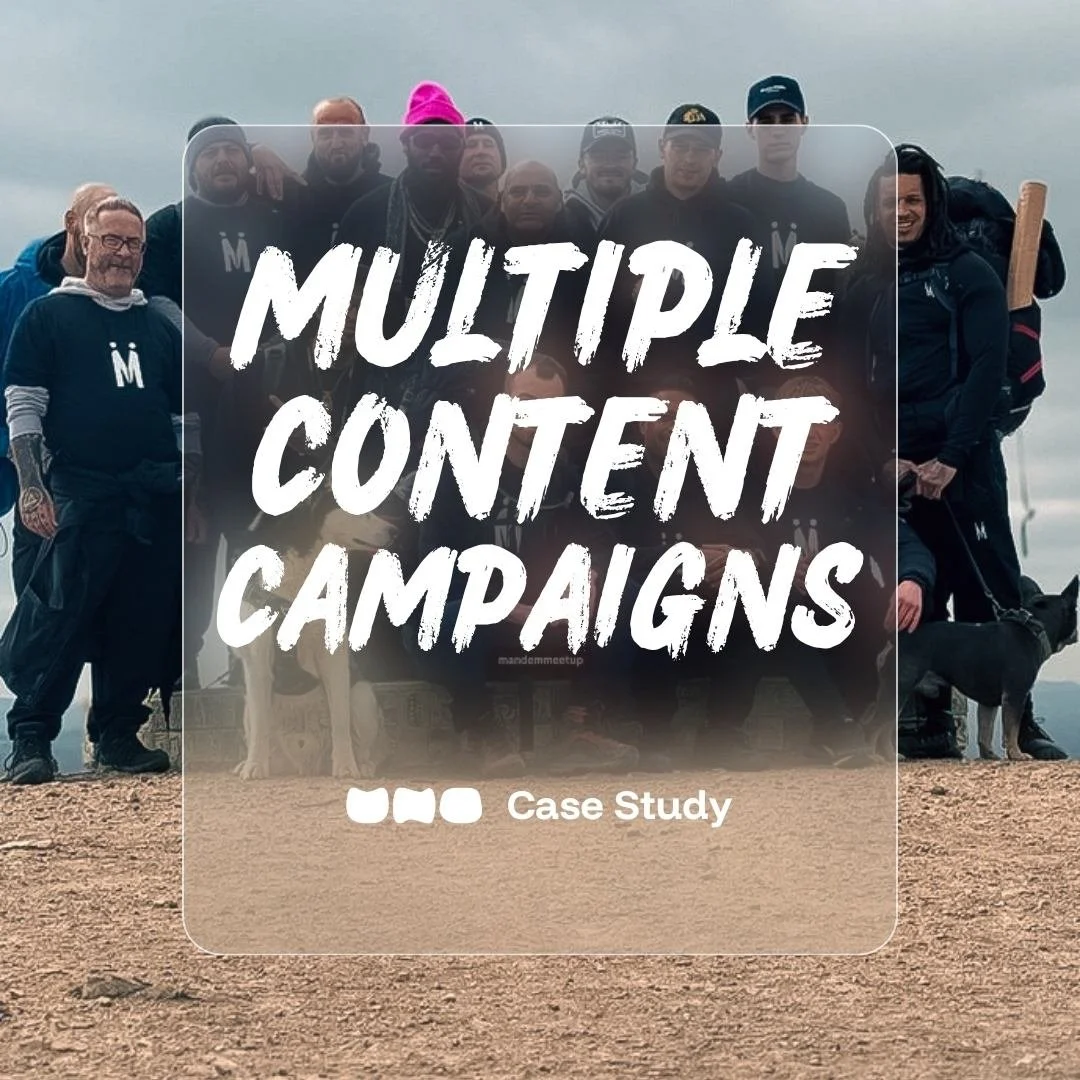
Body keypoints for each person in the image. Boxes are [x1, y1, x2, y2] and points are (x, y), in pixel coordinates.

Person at [876, 144, 1064, 759]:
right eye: (890, 201)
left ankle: (1020, 717)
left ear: (932, 203)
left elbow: (986, 367)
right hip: (897, 455)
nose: (902, 212)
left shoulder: (967, 270)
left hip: (966, 453)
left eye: (912, 200)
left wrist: (952, 456)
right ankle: (925, 720)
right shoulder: (863, 276)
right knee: (919, 583)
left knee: (989, 582)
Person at [0, 197, 182, 784]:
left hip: (152, 496)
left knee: (139, 618)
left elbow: (183, 419)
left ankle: (119, 735)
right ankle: (31, 740)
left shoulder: (156, 323)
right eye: (111, 240)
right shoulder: (48, 318)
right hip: (79, 490)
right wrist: (32, 488)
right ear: (84, 240)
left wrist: (193, 493)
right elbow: (23, 407)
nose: (122, 253)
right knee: (60, 618)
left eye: (132, 244)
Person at [411, 356, 639, 779]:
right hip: (481, 619)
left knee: (626, 593)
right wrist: (500, 605)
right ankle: (477, 733)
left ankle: (581, 729)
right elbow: (433, 565)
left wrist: (589, 575)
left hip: (546, 619)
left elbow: (598, 542)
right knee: (438, 616)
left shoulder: (569, 476)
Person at [138, 117, 285, 689]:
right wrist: (209, 353)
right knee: (192, 549)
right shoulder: (169, 225)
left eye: (232, 150)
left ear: (248, 159)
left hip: (262, 408)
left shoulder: (276, 218)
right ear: (191, 165)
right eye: (209, 153)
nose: (222, 160)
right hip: (190, 407)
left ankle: (254, 672)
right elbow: (154, 300)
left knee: (260, 538)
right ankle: (176, 679)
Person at [618, 374, 774, 771]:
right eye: (663, 415)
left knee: (752, 600)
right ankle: (655, 735)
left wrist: (740, 558)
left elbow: (756, 544)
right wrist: (680, 556)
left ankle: (724, 732)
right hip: (649, 598)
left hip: (709, 602)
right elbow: (603, 553)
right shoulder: (617, 477)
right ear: (642, 426)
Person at [597, 104, 770, 404]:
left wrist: (746, 380)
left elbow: (761, 307)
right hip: (637, 386)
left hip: (715, 389)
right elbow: (596, 306)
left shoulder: (741, 224)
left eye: (702, 149)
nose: (690, 159)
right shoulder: (623, 217)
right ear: (662, 148)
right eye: (680, 146)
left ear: (717, 156)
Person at [336, 82, 490, 417]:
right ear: (406, 145)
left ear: (461, 148)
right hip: (380, 379)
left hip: (464, 380)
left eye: (447, 142)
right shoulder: (365, 215)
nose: (435, 152)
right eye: (424, 140)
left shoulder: (487, 215)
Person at [763, 374, 889, 760]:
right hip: (768, 617)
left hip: (833, 609)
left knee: (869, 597)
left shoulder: (854, 497)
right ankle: (837, 725)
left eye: (819, 422)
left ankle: (851, 725)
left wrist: (909, 581)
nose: (808, 433)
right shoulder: (747, 492)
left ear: (835, 432)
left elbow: (890, 542)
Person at [0, 182, 118, 592]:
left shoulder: (124, 302)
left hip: (98, 482)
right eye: (92, 218)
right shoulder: (12, 292)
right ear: (71, 222)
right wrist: (14, 449)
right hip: (28, 475)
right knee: (37, 615)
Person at [726, 76, 853, 389]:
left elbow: (840, 301)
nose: (778, 129)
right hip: (742, 375)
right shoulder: (726, 199)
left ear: (804, 123)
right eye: (766, 121)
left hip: (810, 374)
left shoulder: (830, 208)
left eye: (787, 119)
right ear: (749, 128)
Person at [287, 96, 389, 280]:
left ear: (364, 136)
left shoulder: (392, 196)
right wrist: (254, 149)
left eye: (345, 132)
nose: (336, 143)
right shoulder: (291, 197)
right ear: (313, 138)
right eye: (325, 133)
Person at [563, 117, 643, 240]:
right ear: (581, 165)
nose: (610, 165)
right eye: (599, 156)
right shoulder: (559, 217)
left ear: (634, 164)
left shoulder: (660, 215)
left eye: (620, 156)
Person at [461, 117, 506, 201]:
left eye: (488, 144)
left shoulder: (516, 211)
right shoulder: (439, 210)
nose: (481, 152)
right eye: (471, 145)